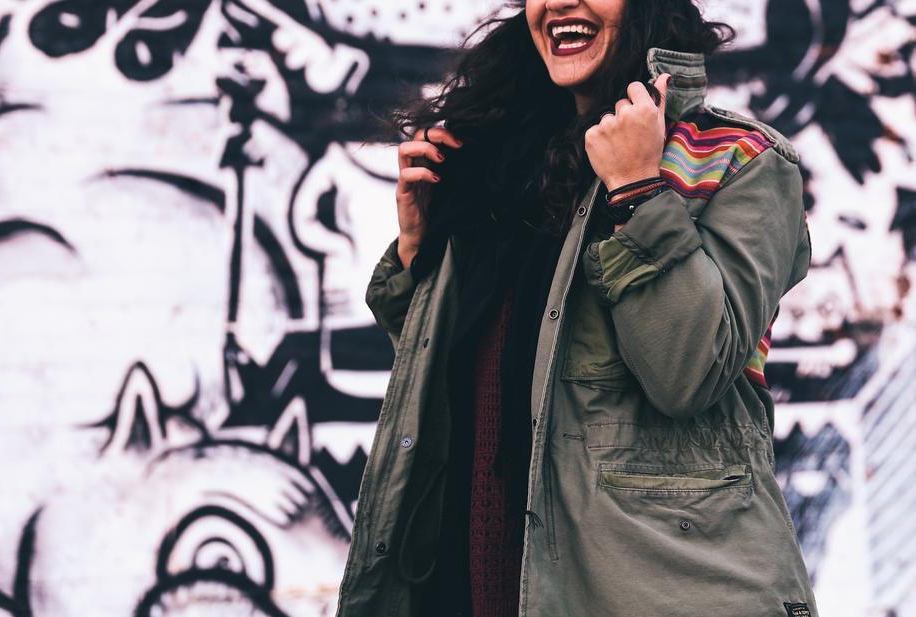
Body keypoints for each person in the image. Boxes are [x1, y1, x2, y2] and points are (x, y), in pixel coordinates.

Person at [336, 0, 817, 615]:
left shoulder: (738, 159)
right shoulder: (498, 165)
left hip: (659, 592)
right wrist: (417, 254)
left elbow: (688, 375)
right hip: (472, 582)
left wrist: (638, 193)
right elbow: (468, 382)